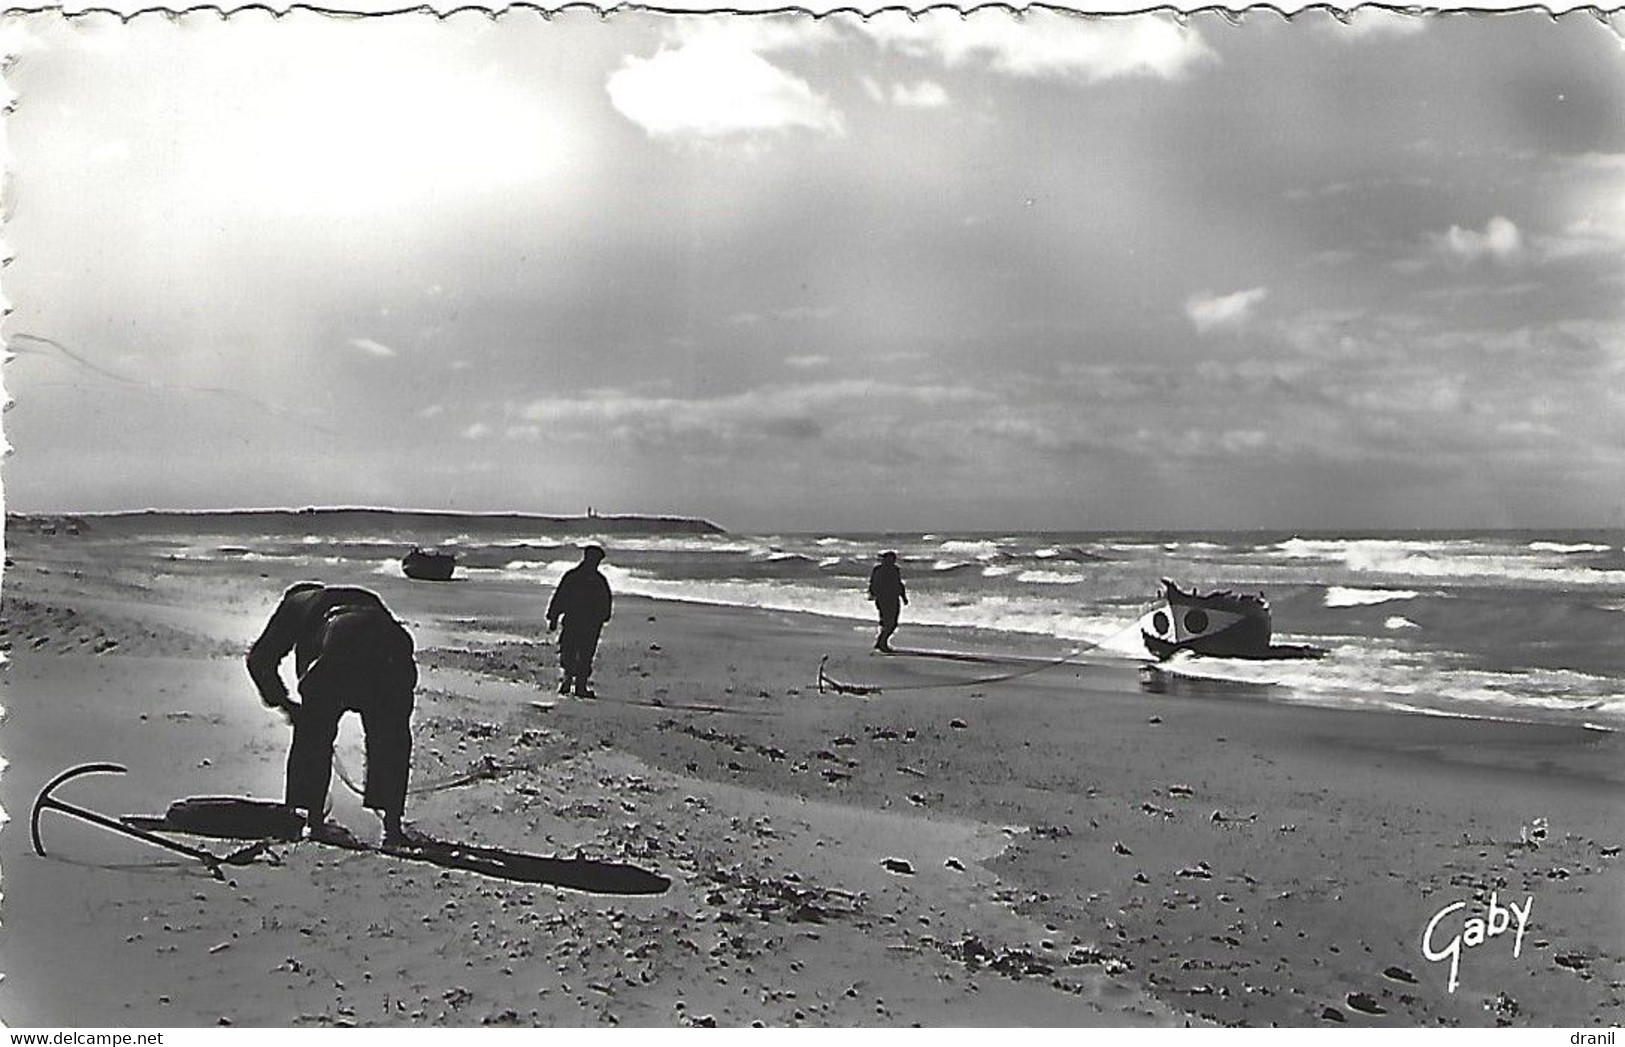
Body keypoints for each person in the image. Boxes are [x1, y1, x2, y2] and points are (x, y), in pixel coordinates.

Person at [246, 582, 418, 847]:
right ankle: (392, 827)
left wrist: (285, 703)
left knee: (313, 736)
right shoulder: (361, 597)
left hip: (339, 638)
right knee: (390, 737)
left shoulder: (295, 604)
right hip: (392, 644)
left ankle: (310, 821)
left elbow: (259, 659)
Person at [547, 545, 613, 698]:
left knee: (584, 654)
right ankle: (569, 681)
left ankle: (579, 685)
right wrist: (553, 616)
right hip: (575, 621)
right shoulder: (576, 577)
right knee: (570, 652)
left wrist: (604, 616)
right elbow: (560, 597)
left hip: (589, 624)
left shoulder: (595, 580)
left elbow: (605, 602)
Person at [867, 550, 908, 653]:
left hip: (894, 598)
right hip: (883, 599)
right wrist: (873, 594)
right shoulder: (878, 570)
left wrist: (903, 597)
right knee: (887, 622)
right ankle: (882, 642)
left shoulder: (895, 570)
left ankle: (881, 641)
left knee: (892, 622)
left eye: (893, 559)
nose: (892, 561)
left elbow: (899, 584)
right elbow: (873, 583)